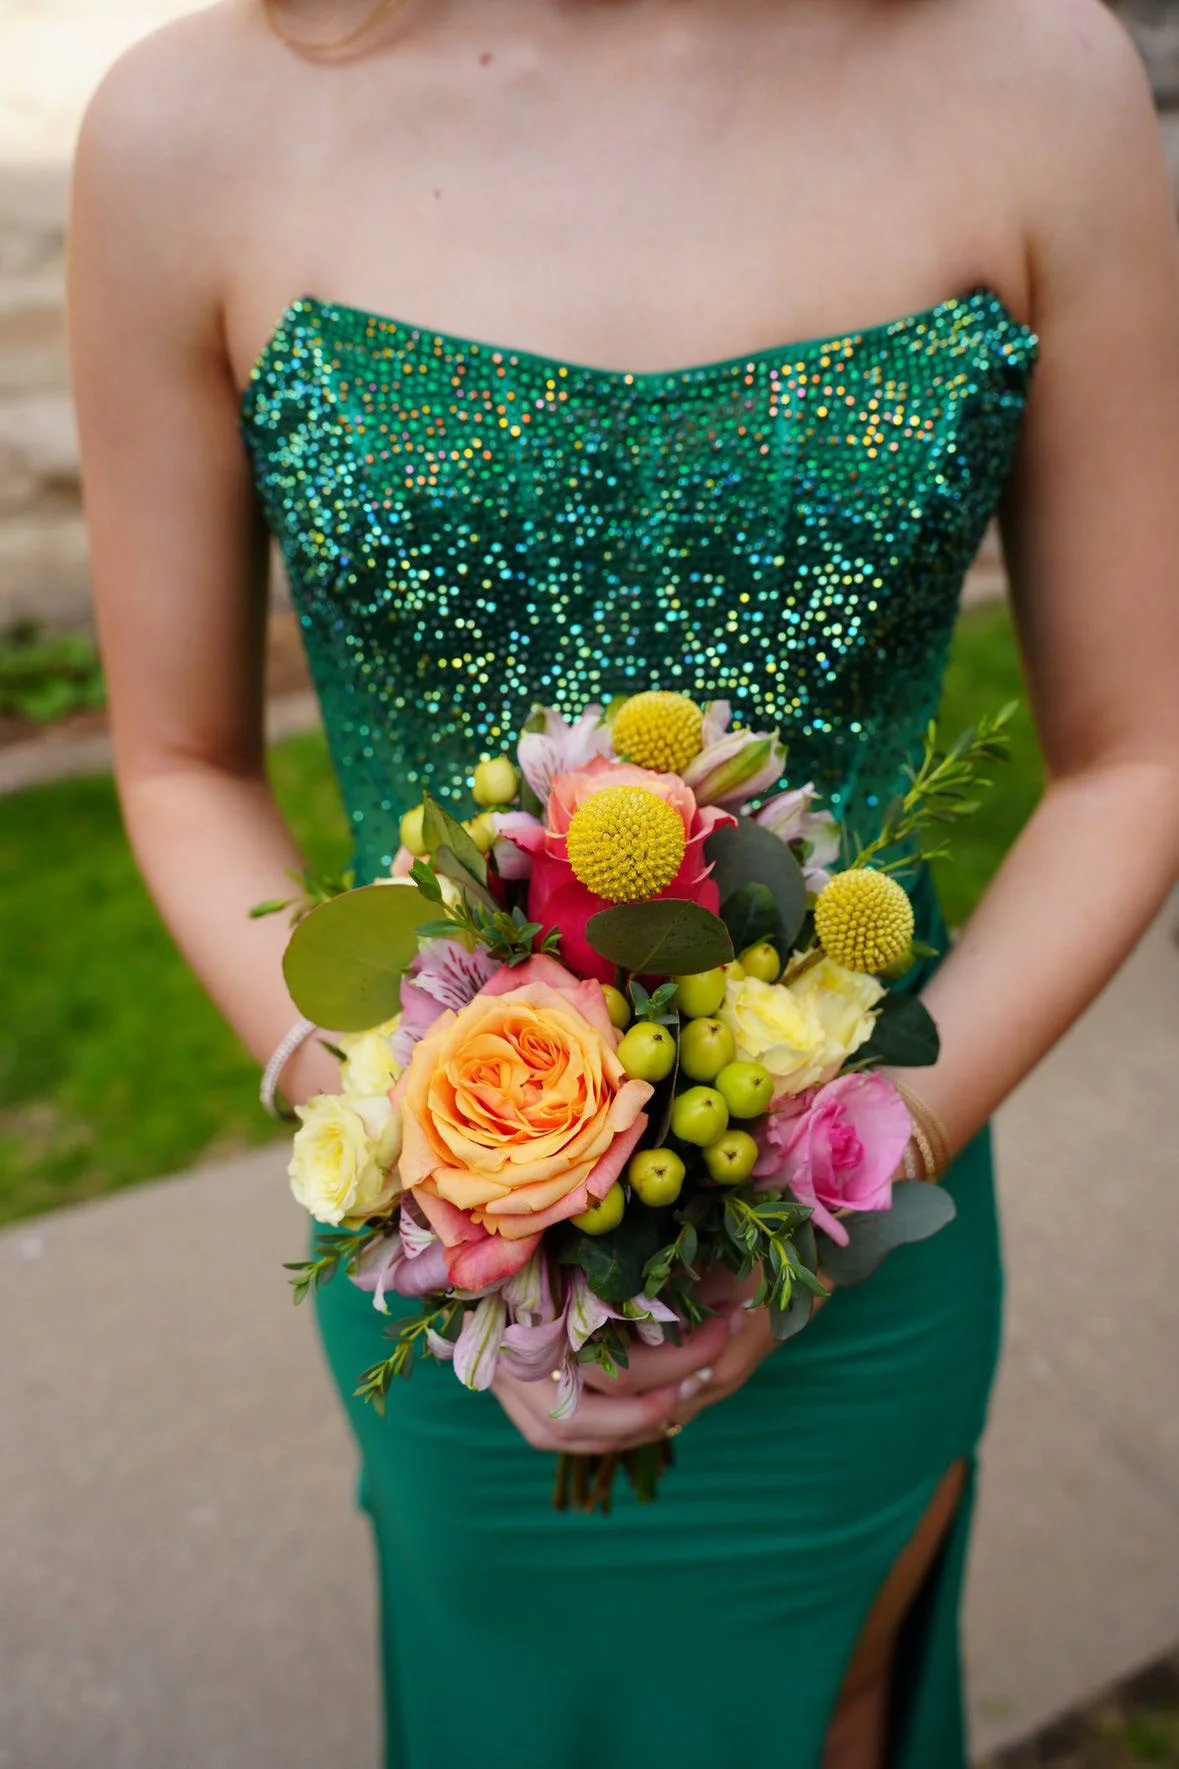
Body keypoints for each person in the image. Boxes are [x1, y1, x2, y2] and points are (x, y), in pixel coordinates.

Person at [68, 1, 1179, 1765]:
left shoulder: (1030, 77)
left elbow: (1138, 756)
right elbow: (177, 765)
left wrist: (845, 1196)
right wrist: (405, 1146)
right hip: (453, 1276)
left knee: (819, 1711)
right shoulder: (190, 129)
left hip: (872, 1212)